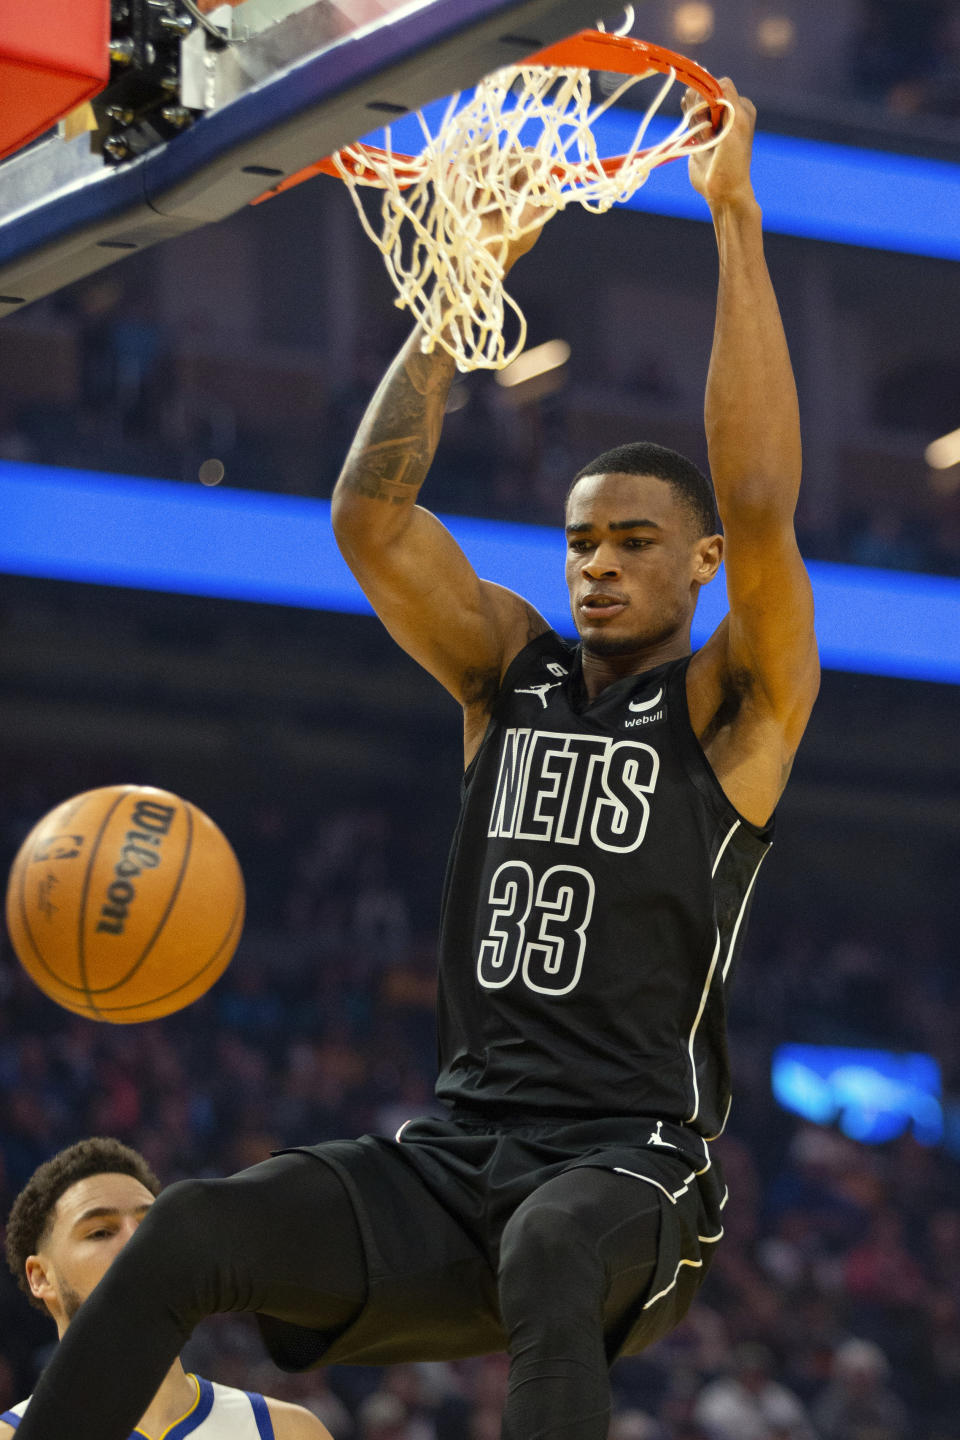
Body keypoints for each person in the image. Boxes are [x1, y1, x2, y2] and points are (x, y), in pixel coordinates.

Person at [13, 78, 819, 1440]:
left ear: (701, 567)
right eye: (579, 541)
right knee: (192, 1228)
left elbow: (758, 499)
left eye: (632, 540)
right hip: (454, 1159)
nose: (598, 564)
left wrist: (733, 221)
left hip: (633, 1172)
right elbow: (369, 516)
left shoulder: (733, 705)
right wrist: (460, 293)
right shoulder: (511, 672)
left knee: (556, 1247)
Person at [1, 1138, 331, 1440]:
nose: (138, 1244)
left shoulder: (290, 1431)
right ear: (41, 1276)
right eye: (100, 1232)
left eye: (154, 1226)